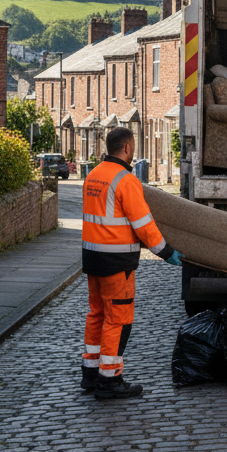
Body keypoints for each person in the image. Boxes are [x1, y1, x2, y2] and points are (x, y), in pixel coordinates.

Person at [80, 127, 183, 399]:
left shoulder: (92, 175)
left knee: (96, 314)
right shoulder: (125, 180)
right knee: (118, 321)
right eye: (134, 146)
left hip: (92, 258)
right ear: (126, 148)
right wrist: (166, 252)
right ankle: (109, 379)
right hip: (116, 263)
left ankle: (90, 374)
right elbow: (144, 225)